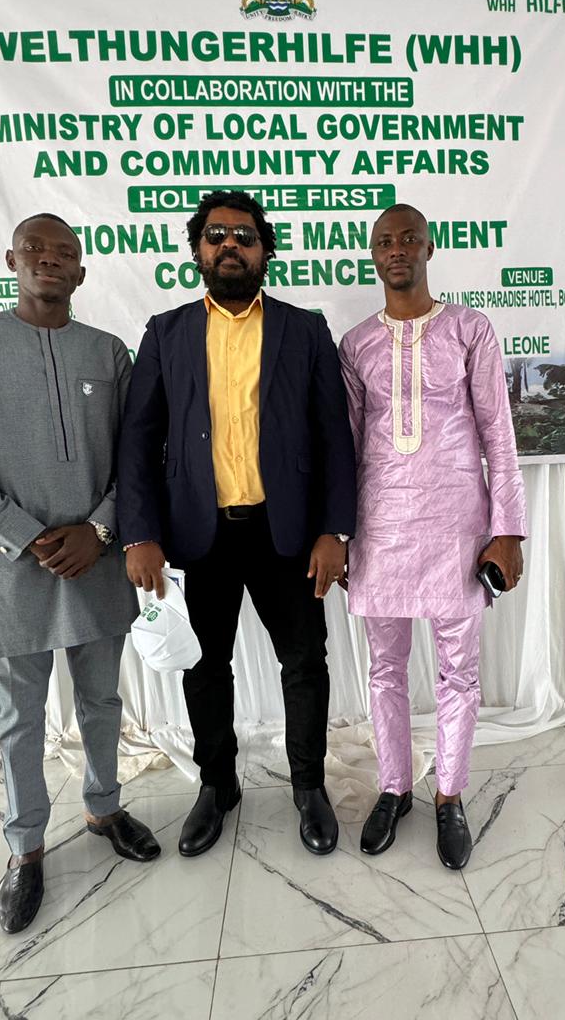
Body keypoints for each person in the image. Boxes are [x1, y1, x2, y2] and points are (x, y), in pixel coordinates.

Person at [0, 214, 160, 935]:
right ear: (10, 260)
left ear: (83, 273)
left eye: (66, 253)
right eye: (36, 249)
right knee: (17, 720)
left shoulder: (108, 351)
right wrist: (29, 536)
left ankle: (103, 807)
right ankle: (25, 848)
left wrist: (99, 529)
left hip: (97, 558)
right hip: (15, 566)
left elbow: (137, 460)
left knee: (101, 699)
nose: (50, 261)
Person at [118, 190, 356, 858]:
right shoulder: (166, 333)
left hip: (288, 536)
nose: (231, 245)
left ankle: (308, 786)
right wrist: (139, 534)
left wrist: (335, 530)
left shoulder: (303, 331)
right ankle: (216, 786)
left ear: (265, 250)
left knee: (305, 661)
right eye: (217, 234)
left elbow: (334, 435)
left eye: (244, 235)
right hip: (201, 536)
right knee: (205, 667)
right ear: (197, 250)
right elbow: (138, 438)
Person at [338, 204, 527, 870]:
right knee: (385, 669)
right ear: (372, 253)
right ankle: (395, 787)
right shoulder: (357, 343)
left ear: (428, 246)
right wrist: (339, 533)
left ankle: (449, 795)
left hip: (457, 526)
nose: (397, 250)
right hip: (381, 526)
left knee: (458, 672)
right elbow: (349, 447)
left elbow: (499, 435)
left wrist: (507, 529)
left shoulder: (470, 329)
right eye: (384, 241)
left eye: (408, 239)